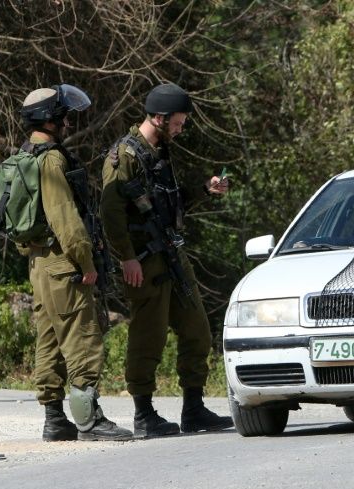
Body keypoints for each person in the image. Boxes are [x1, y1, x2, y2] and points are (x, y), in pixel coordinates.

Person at [100, 83, 233, 438]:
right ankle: (144, 414)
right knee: (148, 335)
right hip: (143, 262)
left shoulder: (161, 151)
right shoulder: (123, 157)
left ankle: (194, 408)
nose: (181, 128)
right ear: (158, 118)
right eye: (177, 122)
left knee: (197, 329)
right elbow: (111, 214)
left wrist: (206, 190)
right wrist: (127, 258)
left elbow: (168, 204)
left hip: (172, 254)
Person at [19, 85, 133, 442]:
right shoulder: (51, 159)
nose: (68, 122)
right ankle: (89, 420)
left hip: (40, 264)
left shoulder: (26, 155)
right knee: (82, 337)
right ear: (49, 119)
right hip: (63, 263)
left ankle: (55, 419)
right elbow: (65, 219)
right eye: (63, 116)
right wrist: (85, 261)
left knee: (50, 338)